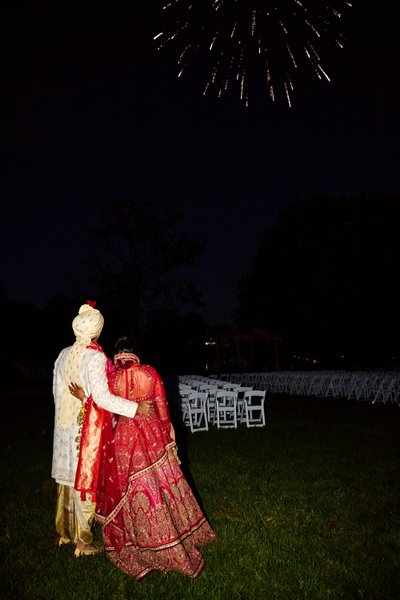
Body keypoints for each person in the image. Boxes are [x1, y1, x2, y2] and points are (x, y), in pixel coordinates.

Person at [72, 335, 216, 578]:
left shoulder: (112, 378)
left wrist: (85, 398)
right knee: (160, 482)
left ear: (116, 355)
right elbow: (161, 405)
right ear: (136, 352)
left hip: (123, 439)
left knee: (130, 488)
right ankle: (174, 535)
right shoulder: (150, 373)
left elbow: (104, 407)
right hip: (151, 434)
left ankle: (136, 543)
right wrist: (168, 435)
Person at [51, 302, 154, 557]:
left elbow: (56, 393)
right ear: (96, 331)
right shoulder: (95, 357)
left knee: (66, 481)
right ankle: (83, 542)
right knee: (84, 481)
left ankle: (64, 533)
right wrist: (136, 408)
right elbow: (103, 399)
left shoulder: (63, 354)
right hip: (84, 428)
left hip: (62, 427)